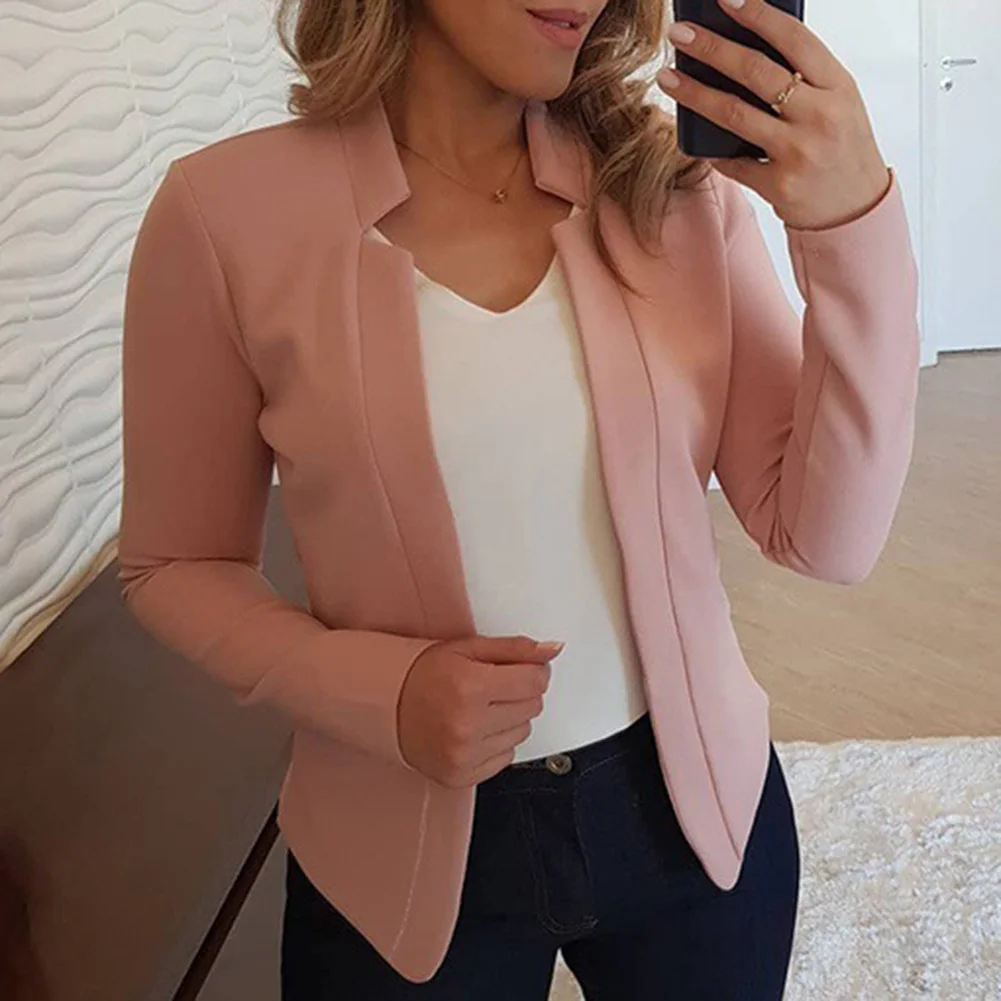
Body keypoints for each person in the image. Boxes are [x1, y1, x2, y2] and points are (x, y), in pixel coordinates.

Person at [117, 0, 920, 997]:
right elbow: (174, 563)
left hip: (694, 820)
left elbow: (826, 538)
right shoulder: (224, 214)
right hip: (391, 844)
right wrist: (377, 689)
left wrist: (851, 226)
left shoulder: (670, 186)